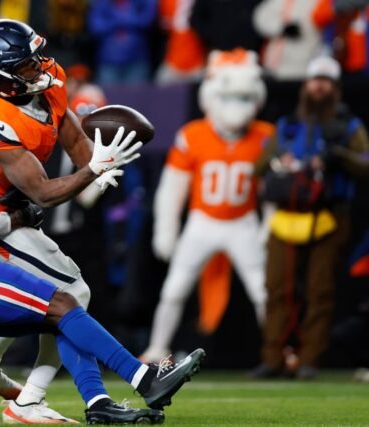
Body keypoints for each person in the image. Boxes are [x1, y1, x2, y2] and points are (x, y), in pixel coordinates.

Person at [0, 64, 204, 425]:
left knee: (62, 307)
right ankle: (143, 379)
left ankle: (85, 400)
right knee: (63, 302)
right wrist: (16, 218)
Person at [0, 18, 204, 424]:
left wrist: (93, 160)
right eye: (25, 64)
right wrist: (94, 170)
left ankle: (8, 377)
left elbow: (70, 132)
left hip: (18, 216)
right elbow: (42, 192)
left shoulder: (50, 79)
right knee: (70, 294)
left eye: (37, 57)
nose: (40, 66)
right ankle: (140, 379)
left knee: (54, 300)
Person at [142, 49, 271, 362]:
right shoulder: (193, 135)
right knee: (174, 288)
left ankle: (276, 351)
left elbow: (273, 191)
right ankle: (157, 347)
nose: (236, 107)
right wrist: (166, 229)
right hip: (203, 222)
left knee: (263, 290)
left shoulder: (265, 136)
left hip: (242, 222)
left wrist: (269, 226)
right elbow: (172, 189)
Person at [251, 56, 369, 379]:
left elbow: (365, 164)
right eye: (315, 80)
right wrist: (281, 160)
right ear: (306, 85)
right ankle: (273, 357)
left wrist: (337, 156)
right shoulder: (287, 124)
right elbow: (259, 166)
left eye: (326, 81)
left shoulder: (348, 126)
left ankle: (309, 359)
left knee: (320, 291)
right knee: (277, 288)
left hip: (328, 216)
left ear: (335, 88)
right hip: (286, 214)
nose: (319, 86)